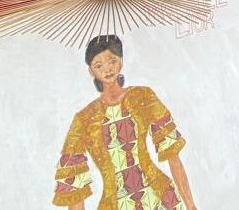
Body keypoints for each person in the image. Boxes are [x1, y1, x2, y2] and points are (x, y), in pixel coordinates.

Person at [53, 34, 198, 210]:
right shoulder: (83, 119)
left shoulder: (144, 96)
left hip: (161, 199)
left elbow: (173, 156)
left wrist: (191, 205)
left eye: (112, 61)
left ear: (121, 61)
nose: (107, 69)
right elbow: (73, 184)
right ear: (91, 71)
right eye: (98, 65)